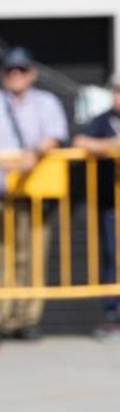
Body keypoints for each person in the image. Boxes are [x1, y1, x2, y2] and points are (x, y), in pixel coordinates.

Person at [0, 47, 69, 341]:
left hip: (32, 193)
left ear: (32, 73)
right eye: (10, 70)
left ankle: (25, 319)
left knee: (31, 256)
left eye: (21, 70)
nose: (15, 75)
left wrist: (32, 155)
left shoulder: (46, 102)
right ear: (1, 73)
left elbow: (55, 135)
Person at [72, 74, 120, 339]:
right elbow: (80, 141)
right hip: (110, 202)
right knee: (112, 255)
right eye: (117, 91)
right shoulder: (102, 120)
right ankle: (113, 314)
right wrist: (111, 146)